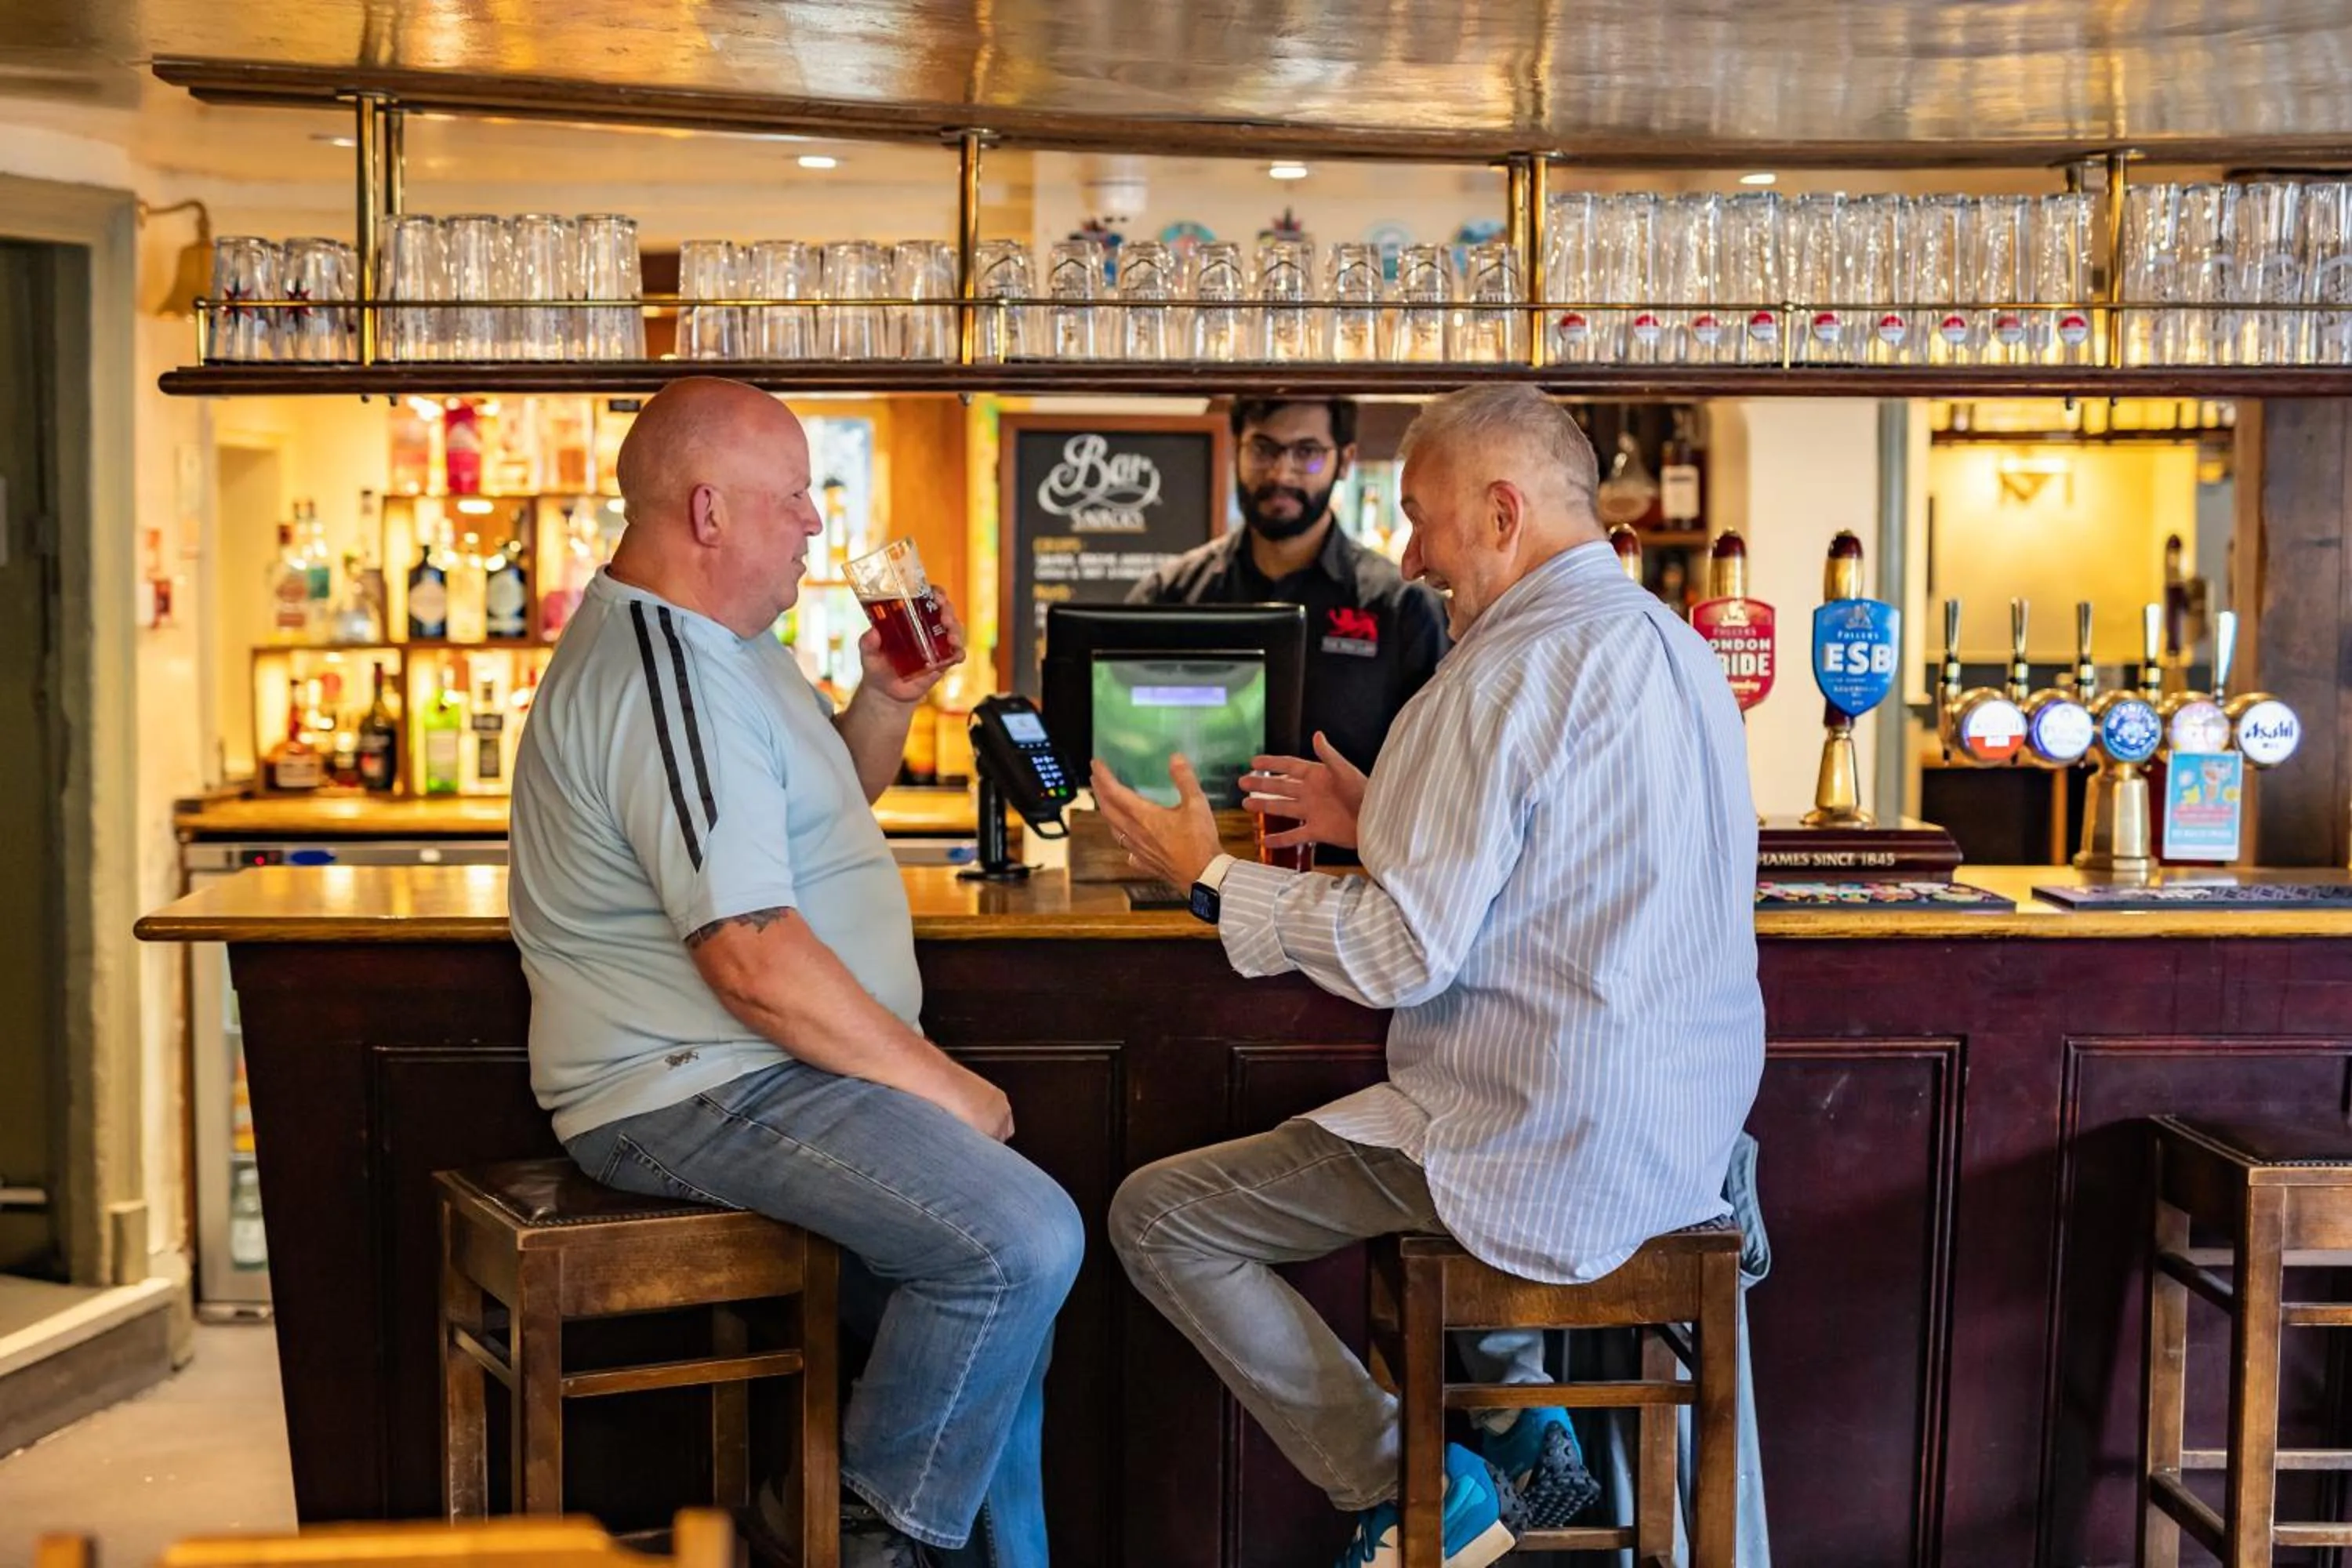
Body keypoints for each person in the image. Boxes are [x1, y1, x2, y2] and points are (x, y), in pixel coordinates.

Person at [1091, 384, 1764, 1568]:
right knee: (1400, 1140)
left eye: (1421, 517)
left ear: (1500, 513)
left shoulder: (1499, 674)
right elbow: (1575, 861)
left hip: (1539, 1141)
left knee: (1160, 1216)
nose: (1411, 554)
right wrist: (1378, 816)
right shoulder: (1671, 645)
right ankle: (1518, 1418)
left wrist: (1210, 878)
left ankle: (1414, 1486)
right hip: (1680, 1150)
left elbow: (1405, 951)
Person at [509, 377, 1081, 1568]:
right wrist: (941, 1085)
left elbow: (810, 822)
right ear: (708, 510)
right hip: (689, 1081)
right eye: (794, 499)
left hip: (763, 1069)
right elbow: (749, 957)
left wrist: (885, 699)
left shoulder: (731, 651)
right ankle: (860, 1544)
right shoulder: (664, 670)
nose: (817, 525)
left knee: (1004, 1307)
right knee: (1019, 1239)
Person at [1127, 397, 1449, 787]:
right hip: (1192, 845)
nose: (1281, 473)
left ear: (1344, 460)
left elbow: (1435, 771)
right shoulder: (1170, 596)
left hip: (1348, 849)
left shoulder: (1405, 608)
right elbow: (1129, 745)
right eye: (1263, 450)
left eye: (1307, 452)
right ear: (1236, 450)